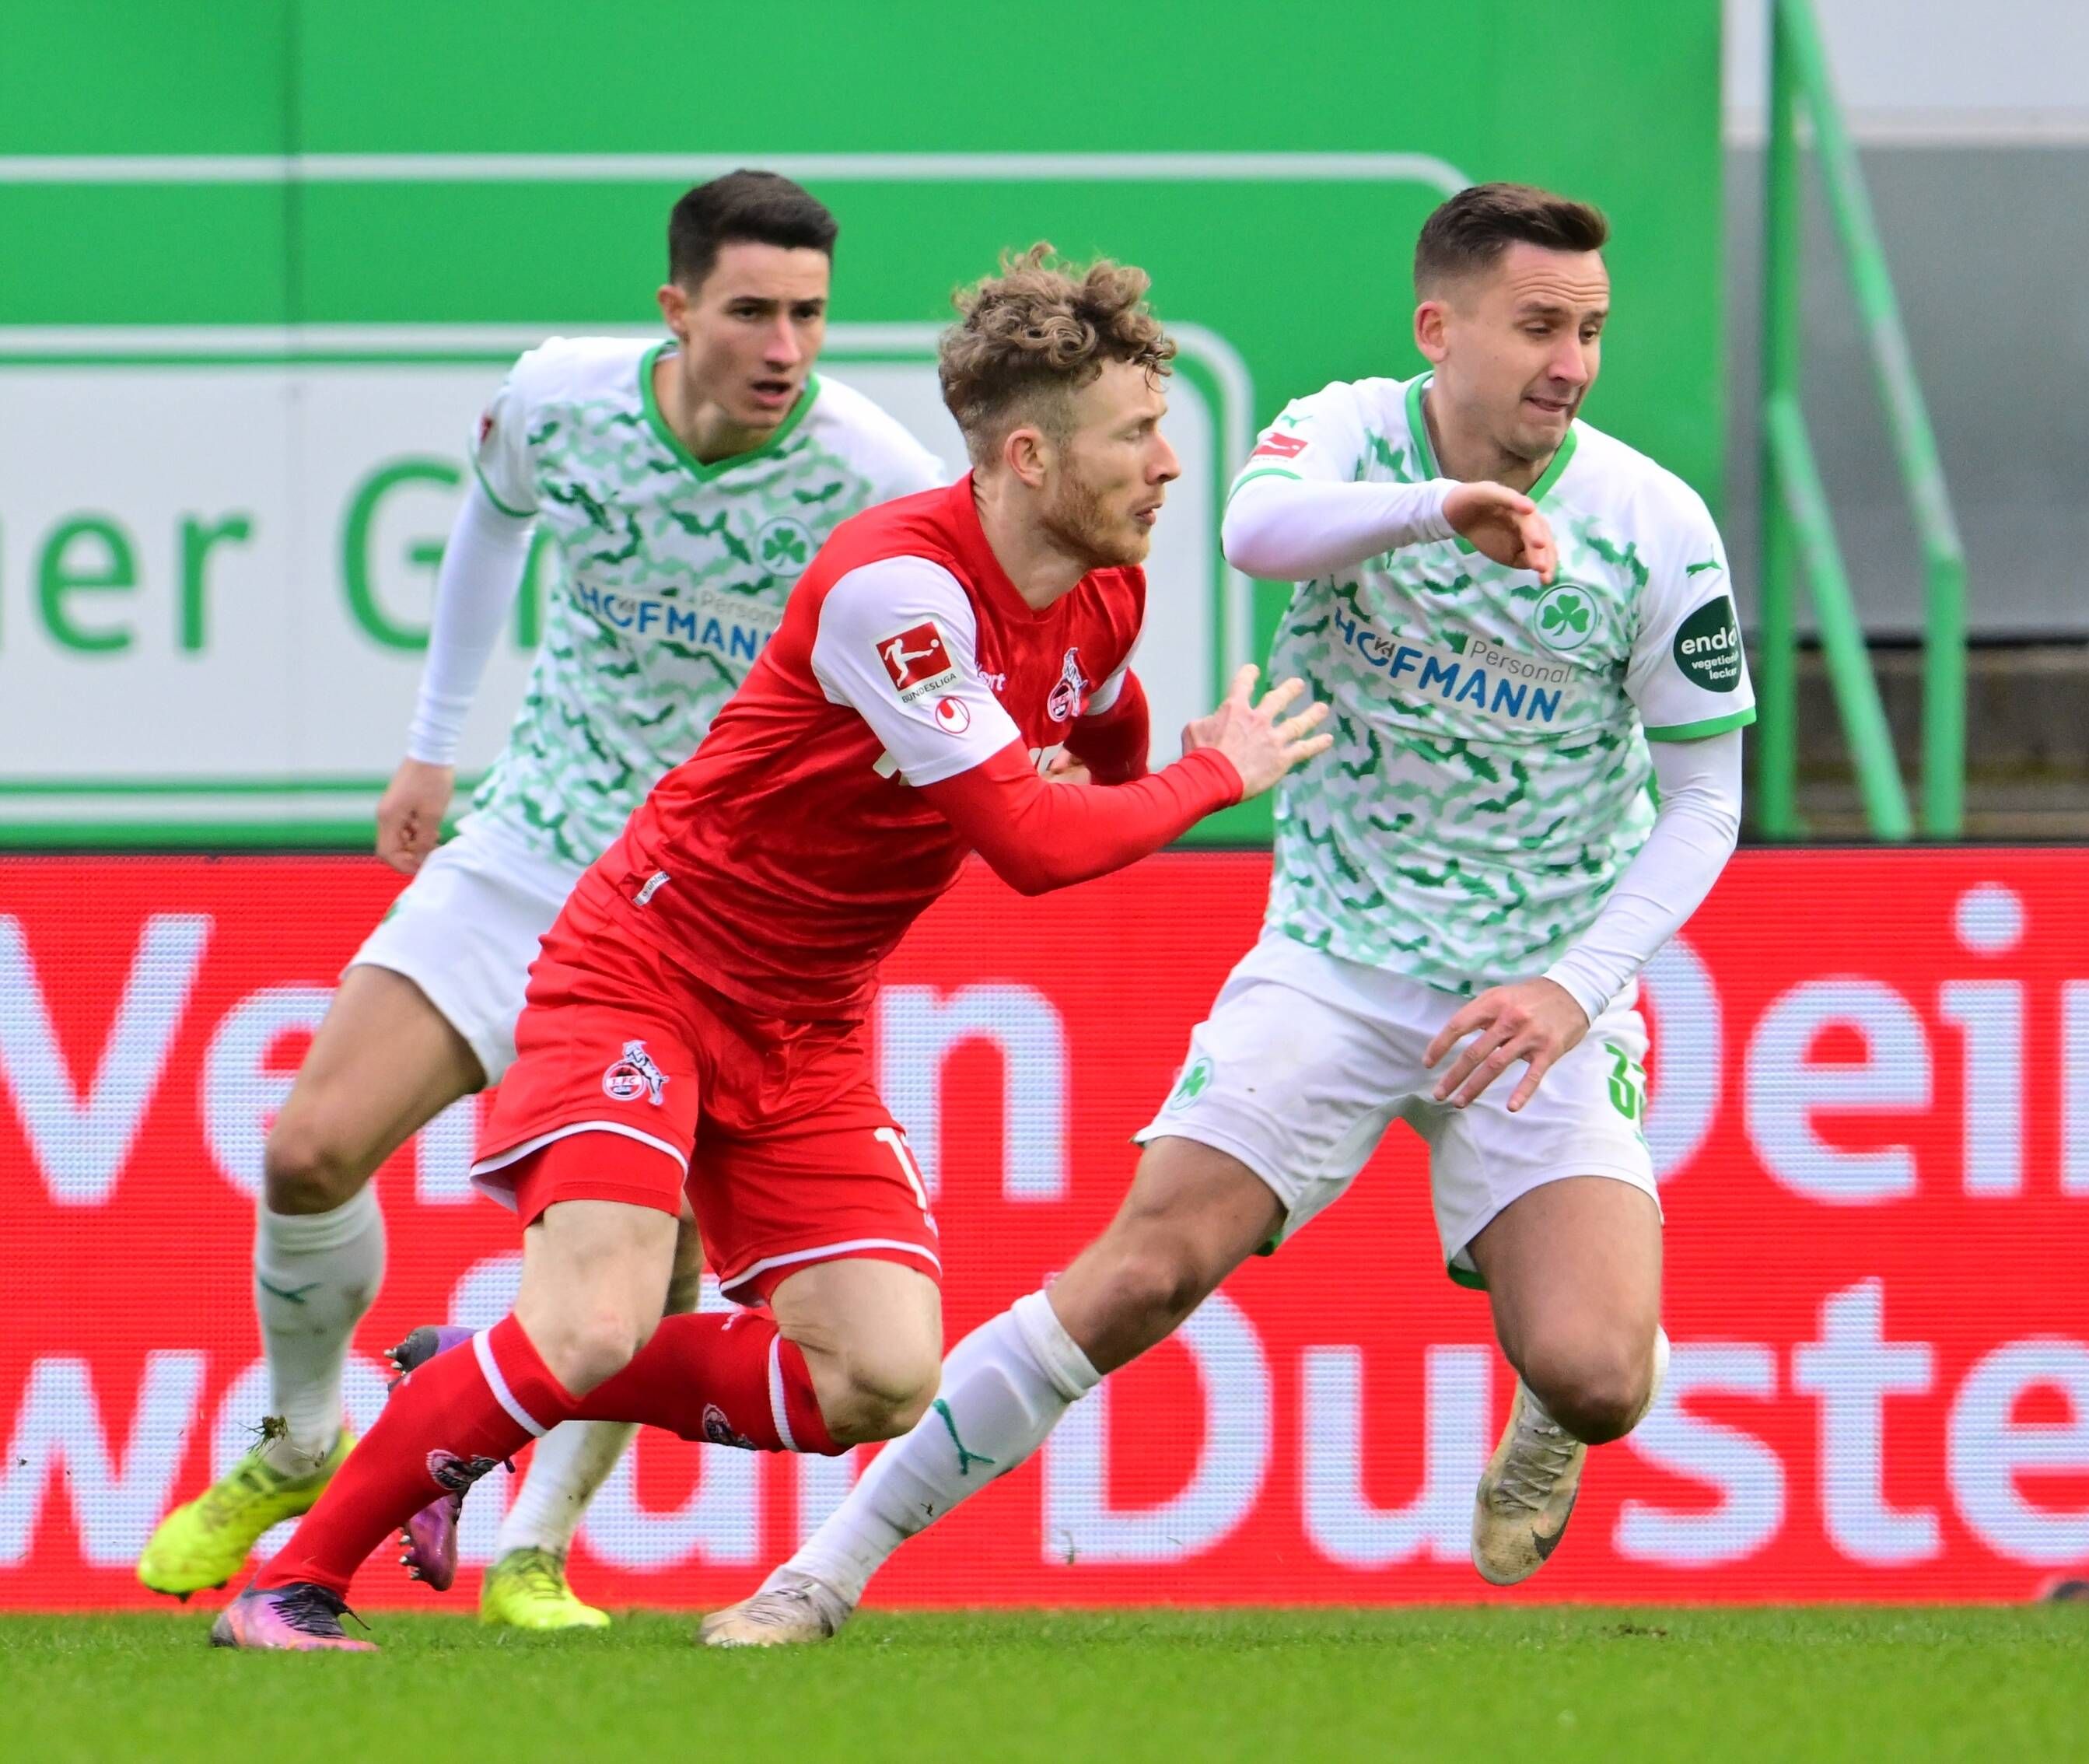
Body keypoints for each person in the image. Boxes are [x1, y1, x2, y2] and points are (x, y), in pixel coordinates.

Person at [206, 245, 1328, 1651]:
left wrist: (1107, 763)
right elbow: (1038, 855)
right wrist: (1217, 775)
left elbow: (1099, 726)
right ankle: (291, 1587)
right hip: (649, 972)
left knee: (880, 1377)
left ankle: (475, 1382)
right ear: (1032, 456)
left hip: (807, 1023)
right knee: (592, 1324)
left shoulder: (1102, 592)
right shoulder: (894, 589)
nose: (1169, 464)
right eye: (1138, 435)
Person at [699, 182, 1752, 1645]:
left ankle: (1548, 1413)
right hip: (1336, 958)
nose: (1570, 361)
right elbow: (1259, 533)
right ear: (1438, 329)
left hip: (1537, 993)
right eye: (1537, 326)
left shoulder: (1654, 524)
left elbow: (1708, 800)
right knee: (1140, 1276)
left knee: (1598, 1375)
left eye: (1589, 329)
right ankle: (816, 1579)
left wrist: (1575, 992)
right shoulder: (1345, 438)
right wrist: (1439, 510)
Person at [139, 170, 948, 1629]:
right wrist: (431, 745)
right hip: (531, 853)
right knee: (312, 1148)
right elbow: (488, 528)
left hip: (705, 915)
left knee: (644, 1279)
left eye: (811, 317)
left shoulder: (874, 474)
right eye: (752, 311)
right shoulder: (559, 400)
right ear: (677, 306)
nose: (785, 348)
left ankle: (535, 1548)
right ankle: (302, 1436)